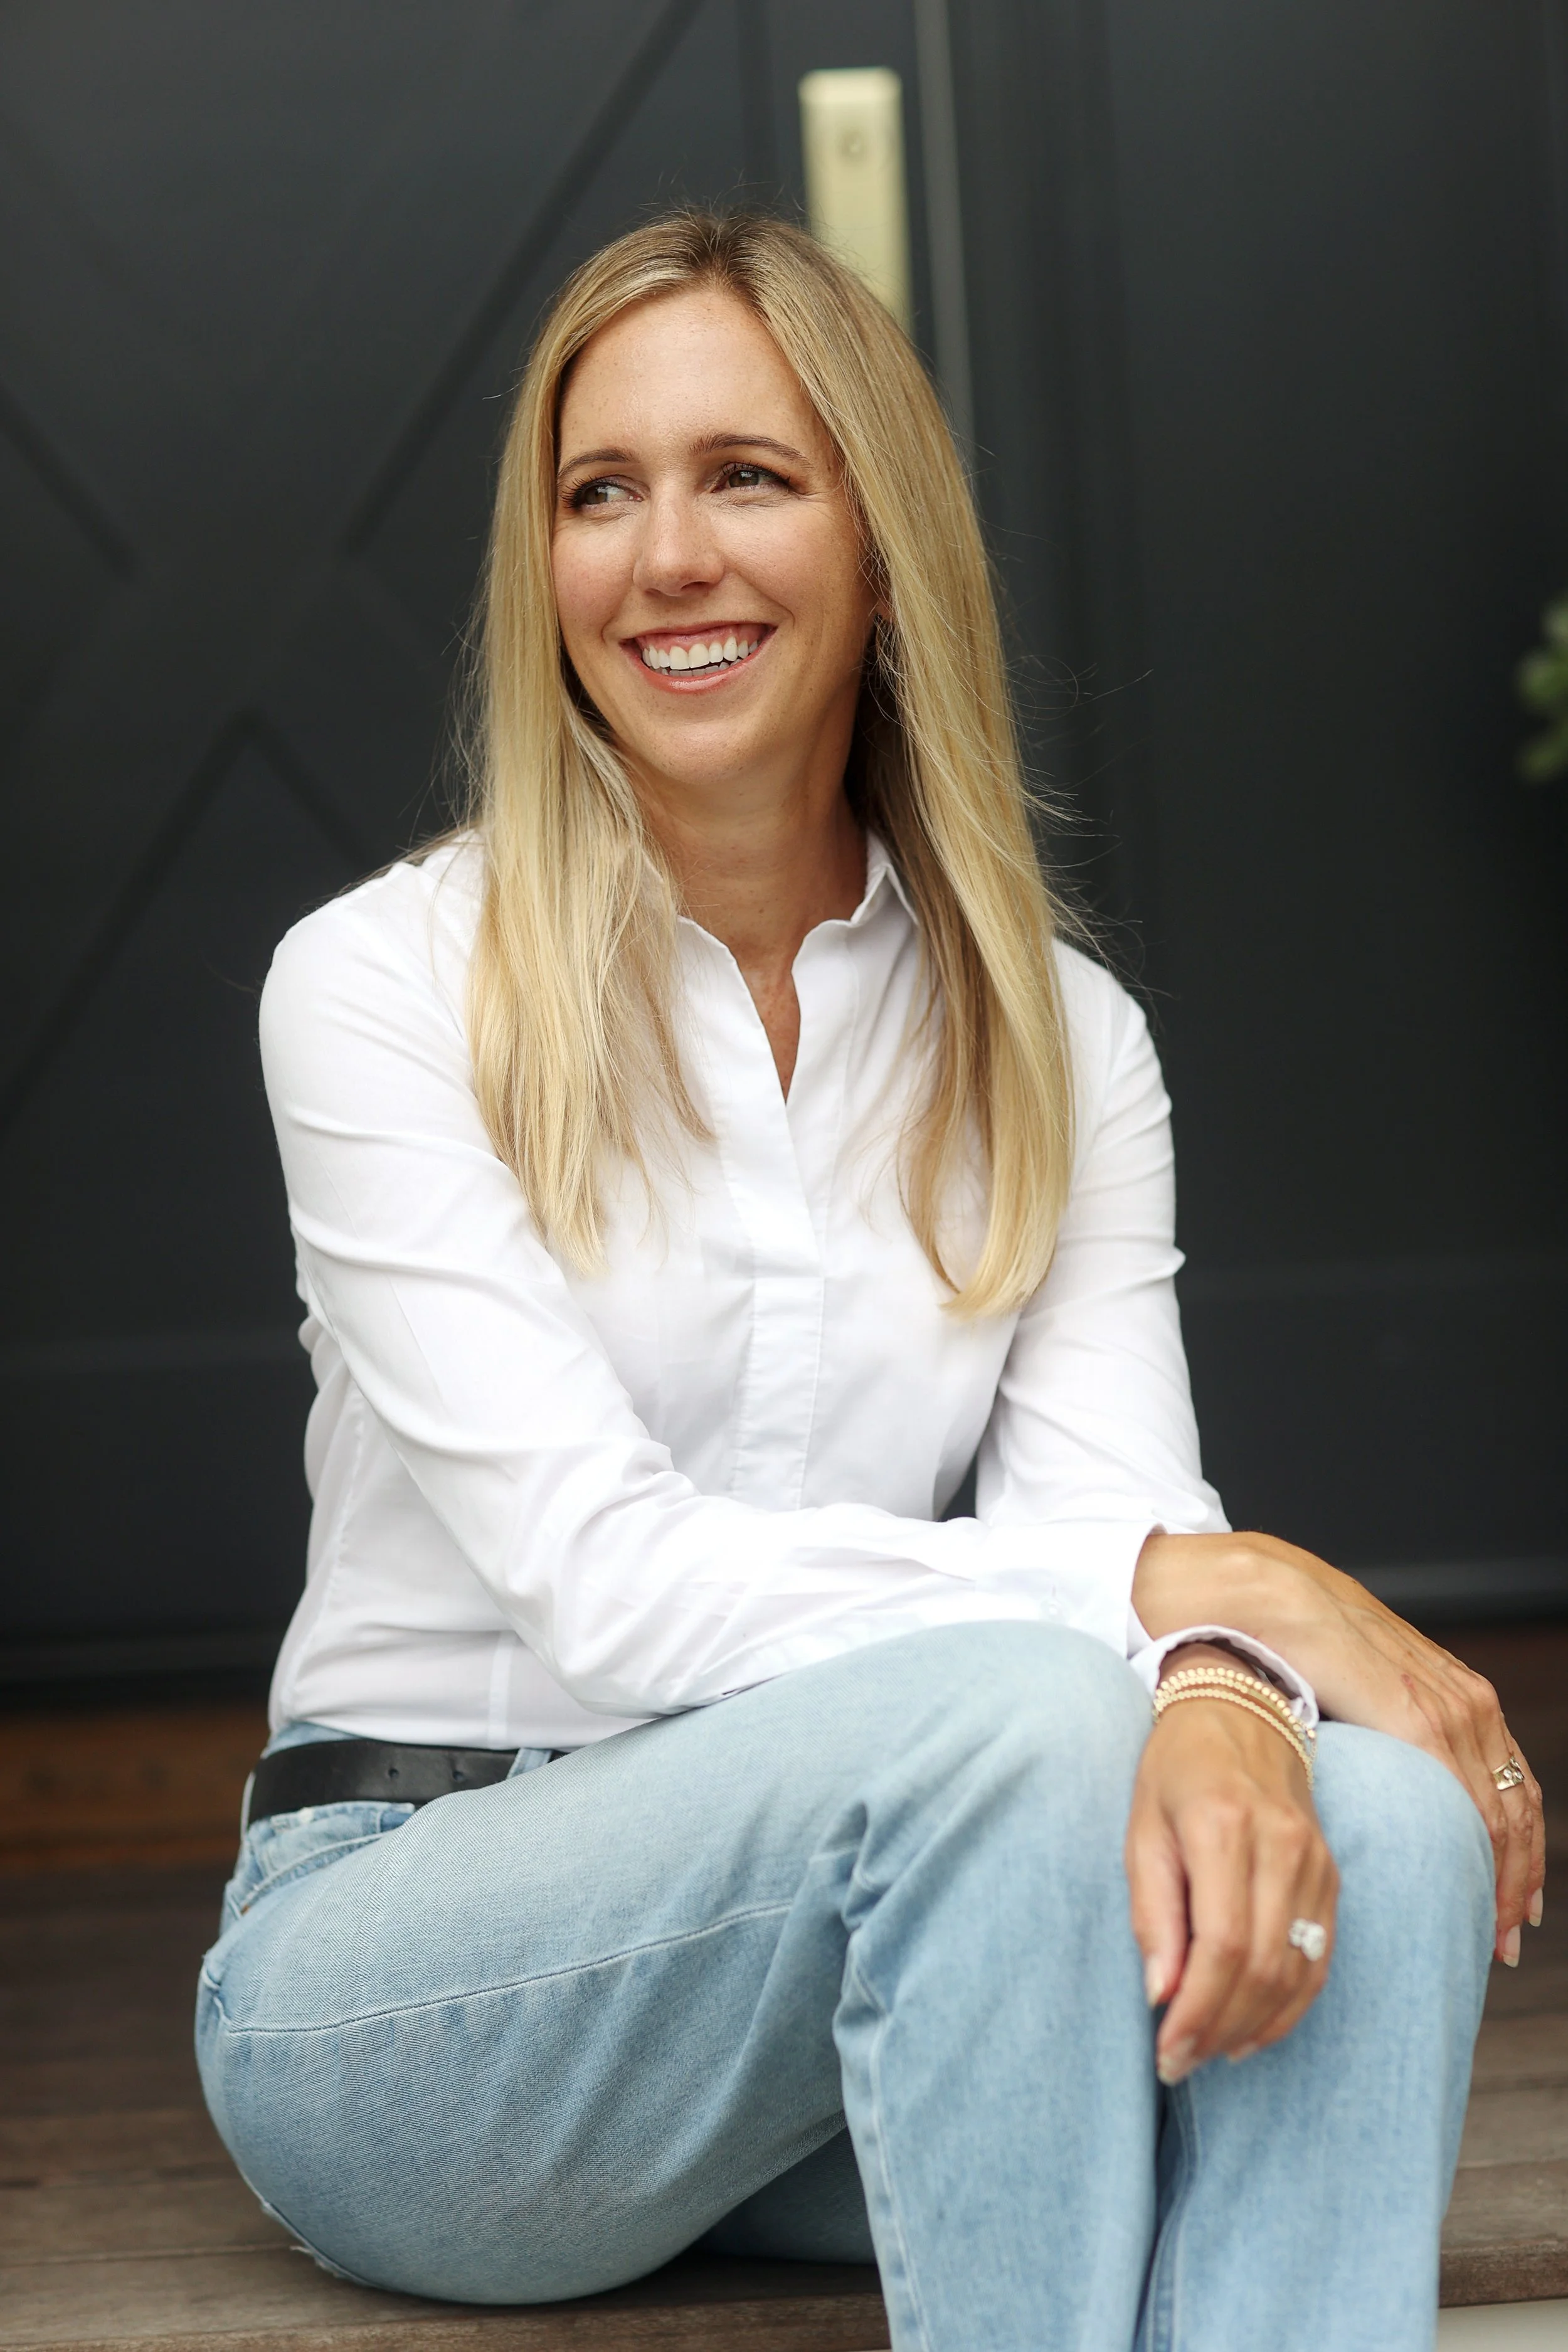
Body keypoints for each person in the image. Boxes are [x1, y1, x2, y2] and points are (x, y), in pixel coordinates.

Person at [196, 211, 1543, 2351]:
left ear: (883, 538)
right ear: (540, 570)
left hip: (868, 1964)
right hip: (413, 1987)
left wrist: (1216, 1671)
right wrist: (1201, 1600)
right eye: (598, 492)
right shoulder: (376, 988)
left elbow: (1132, 1540)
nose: (665, 558)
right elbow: (616, 1588)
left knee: (1368, 1816)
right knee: (1018, 1713)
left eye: (746, 473)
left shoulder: (1059, 1035)